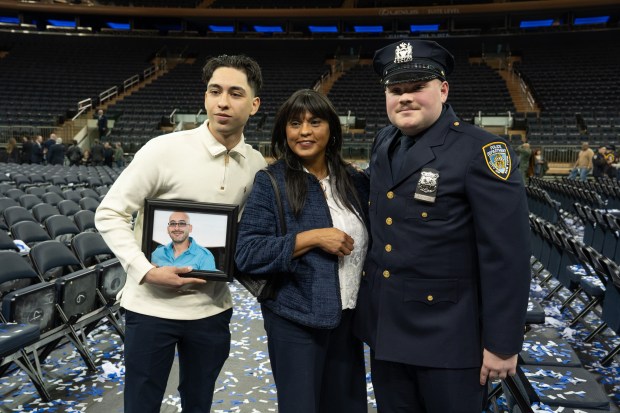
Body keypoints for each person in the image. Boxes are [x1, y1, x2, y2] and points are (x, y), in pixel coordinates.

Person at [353, 39, 531, 413]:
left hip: (449, 339)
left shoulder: (481, 151)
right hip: (387, 331)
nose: (405, 98)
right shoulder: (384, 141)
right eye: (395, 90)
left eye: (417, 87)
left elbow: (507, 256)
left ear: (443, 89)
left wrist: (502, 344)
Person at [94, 54, 267, 413]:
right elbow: (109, 213)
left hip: (212, 309)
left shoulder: (256, 164)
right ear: (205, 97)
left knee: (199, 400)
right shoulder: (163, 149)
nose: (222, 101)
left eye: (235, 93)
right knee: (141, 403)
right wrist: (145, 269)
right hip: (150, 308)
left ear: (254, 104)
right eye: (214, 91)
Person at [235, 89, 369, 413]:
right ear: (284, 130)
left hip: (348, 321)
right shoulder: (271, 181)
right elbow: (246, 252)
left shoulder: (353, 180)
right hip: (295, 321)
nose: (304, 131)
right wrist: (310, 238)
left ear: (332, 130)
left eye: (315, 122)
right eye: (295, 123)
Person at [151, 211, 216, 271]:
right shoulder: (157, 253)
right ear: (168, 229)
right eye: (173, 223)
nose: (176, 228)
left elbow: (209, 283)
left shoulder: (205, 256)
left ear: (190, 228)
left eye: (182, 223)